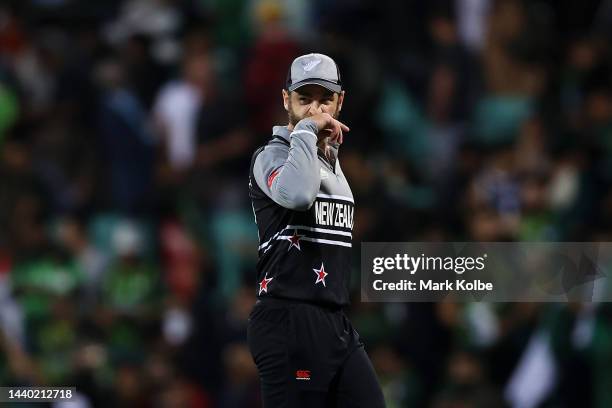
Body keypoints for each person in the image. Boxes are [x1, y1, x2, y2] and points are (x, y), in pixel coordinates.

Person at [247, 53, 386, 407]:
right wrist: (307, 131)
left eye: (324, 99)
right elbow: (297, 193)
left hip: (334, 321)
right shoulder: (272, 156)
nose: (315, 110)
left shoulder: (332, 164)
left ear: (340, 101)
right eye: (304, 99)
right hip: (288, 319)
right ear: (285, 100)